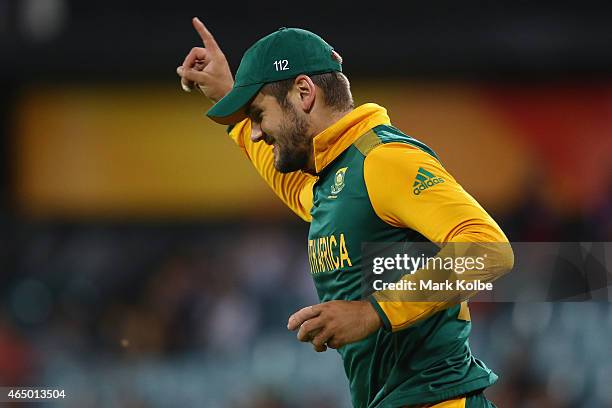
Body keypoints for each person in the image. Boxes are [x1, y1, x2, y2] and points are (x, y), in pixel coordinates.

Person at [177, 17, 513, 408]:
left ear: (304, 92)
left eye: (258, 114)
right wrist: (228, 96)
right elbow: (289, 181)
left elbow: (488, 250)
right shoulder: (334, 179)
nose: (255, 132)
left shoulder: (383, 161)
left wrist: (373, 312)